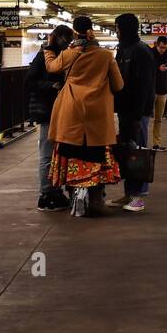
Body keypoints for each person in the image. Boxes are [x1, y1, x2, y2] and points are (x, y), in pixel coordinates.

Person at [43, 15, 124, 217]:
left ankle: (74, 198)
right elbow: (118, 85)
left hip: (71, 112)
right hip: (97, 115)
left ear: (75, 30)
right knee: (96, 155)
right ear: (91, 30)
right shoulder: (106, 56)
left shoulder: (69, 54)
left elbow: (51, 67)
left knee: (71, 154)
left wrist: (48, 49)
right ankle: (96, 200)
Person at [111, 12, 156, 212]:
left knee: (138, 152)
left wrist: (138, 116)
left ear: (127, 28)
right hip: (125, 110)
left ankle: (139, 197)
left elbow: (144, 86)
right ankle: (129, 194)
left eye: (118, 27)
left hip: (137, 112)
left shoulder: (141, 51)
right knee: (128, 152)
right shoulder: (123, 50)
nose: (116, 31)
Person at [26, 24, 74, 210]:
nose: (67, 43)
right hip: (46, 110)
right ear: (58, 38)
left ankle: (54, 191)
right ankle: (46, 194)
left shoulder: (60, 55)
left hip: (58, 108)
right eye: (65, 40)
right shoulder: (44, 55)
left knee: (55, 151)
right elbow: (30, 81)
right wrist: (50, 86)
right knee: (47, 152)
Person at [151, 36, 167, 148]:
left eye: (164, 48)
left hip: (162, 91)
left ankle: (156, 143)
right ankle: (140, 144)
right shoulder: (149, 55)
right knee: (143, 119)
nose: (163, 50)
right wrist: (157, 68)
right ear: (156, 45)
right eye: (161, 47)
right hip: (150, 91)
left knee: (158, 120)